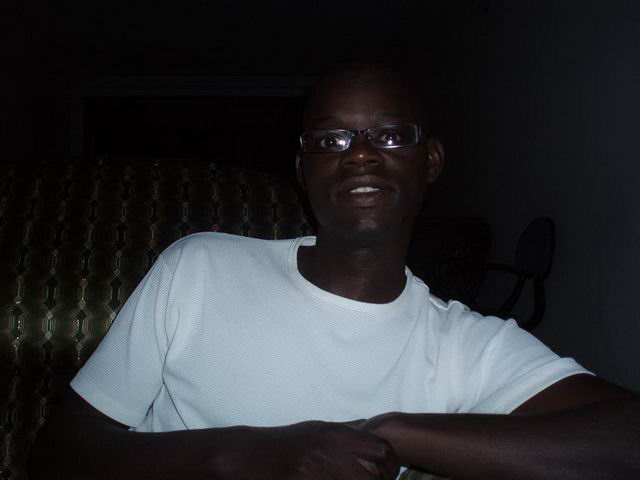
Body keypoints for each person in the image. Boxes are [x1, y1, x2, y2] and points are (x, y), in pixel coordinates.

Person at [29, 64, 639, 480]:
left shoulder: (466, 346)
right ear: (303, 169)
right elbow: (59, 456)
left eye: (390, 136)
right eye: (331, 141)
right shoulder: (201, 266)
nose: (361, 154)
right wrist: (246, 455)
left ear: (430, 161)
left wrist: (390, 434)